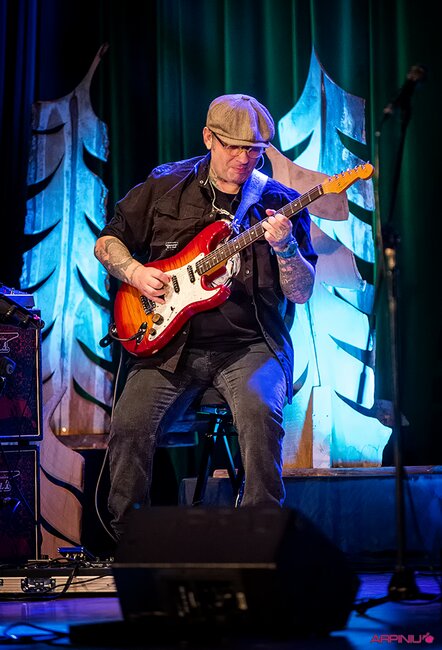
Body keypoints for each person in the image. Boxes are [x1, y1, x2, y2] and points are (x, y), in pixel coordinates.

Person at [94, 93, 318, 539]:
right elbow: (107, 243)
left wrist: (286, 247)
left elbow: (301, 292)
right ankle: (130, 539)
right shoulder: (165, 186)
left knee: (260, 414)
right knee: (129, 424)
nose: (243, 159)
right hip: (169, 346)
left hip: (251, 346)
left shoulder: (280, 202)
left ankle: (261, 537)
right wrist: (136, 273)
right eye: (232, 146)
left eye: (253, 150)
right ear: (208, 138)